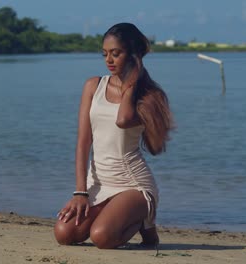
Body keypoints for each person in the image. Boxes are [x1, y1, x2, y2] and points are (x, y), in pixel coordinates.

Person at [54, 22, 173, 249]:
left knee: (102, 237)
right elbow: (83, 142)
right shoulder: (93, 86)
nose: (109, 60)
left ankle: (144, 223)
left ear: (133, 55)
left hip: (133, 185)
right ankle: (118, 218)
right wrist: (80, 192)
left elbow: (123, 120)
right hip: (97, 182)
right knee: (64, 233)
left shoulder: (149, 95)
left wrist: (132, 83)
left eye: (116, 54)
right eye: (105, 54)